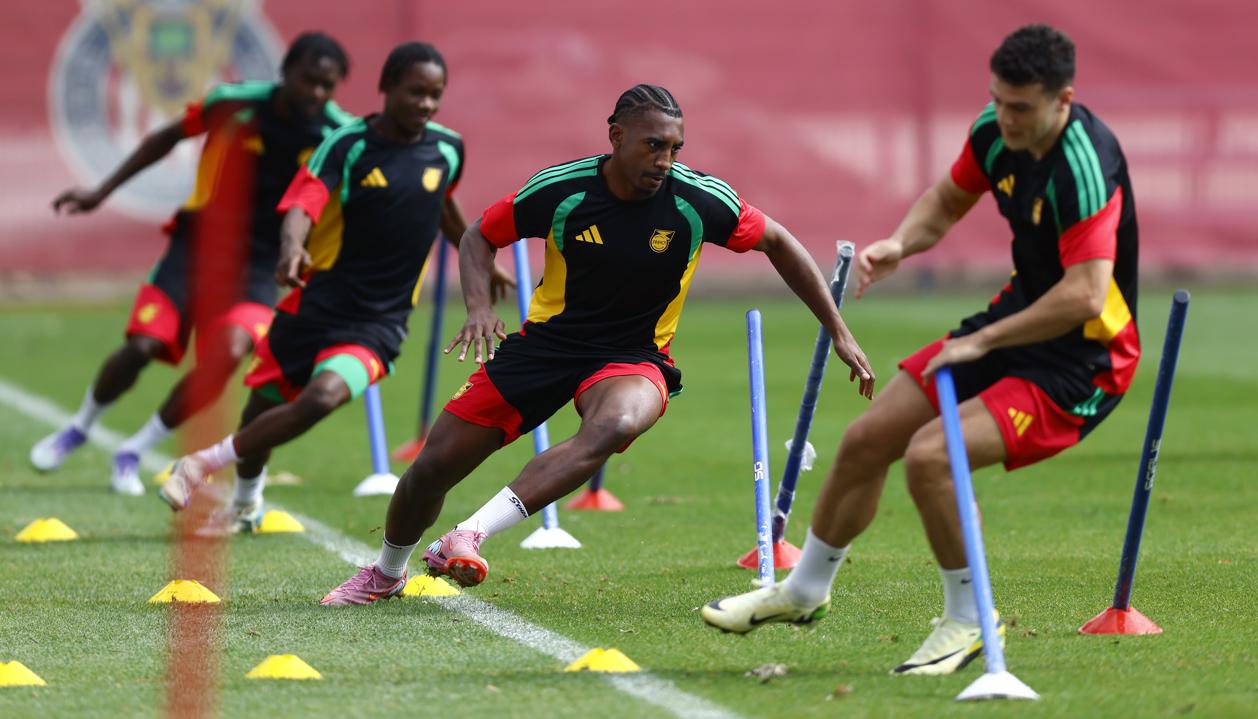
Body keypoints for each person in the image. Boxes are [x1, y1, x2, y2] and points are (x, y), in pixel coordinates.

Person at [320, 83, 877, 606]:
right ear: (616, 136)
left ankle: (468, 534)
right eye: (653, 145)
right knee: (434, 466)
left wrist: (839, 329)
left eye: (675, 148)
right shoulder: (560, 191)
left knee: (614, 427)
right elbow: (479, 236)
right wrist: (479, 306)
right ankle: (385, 574)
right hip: (548, 345)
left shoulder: (697, 201)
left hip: (634, 356)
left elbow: (778, 242)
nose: (665, 160)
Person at [702, 24, 1140, 676]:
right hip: (1017, 320)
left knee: (933, 457)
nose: (1005, 117)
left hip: (1085, 361)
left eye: (1020, 106)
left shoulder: (1083, 162)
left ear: (1063, 100)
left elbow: (1084, 294)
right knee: (866, 438)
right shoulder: (996, 133)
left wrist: (983, 339)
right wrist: (900, 244)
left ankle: (968, 622)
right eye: (998, 99)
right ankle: (803, 590)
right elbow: (946, 199)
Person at [156, 41, 511, 532]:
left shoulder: (447, 148)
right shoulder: (348, 144)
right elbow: (304, 203)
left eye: (435, 95)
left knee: (322, 397)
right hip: (315, 305)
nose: (426, 105)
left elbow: (442, 206)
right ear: (386, 88)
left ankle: (199, 464)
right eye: (416, 93)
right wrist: (291, 248)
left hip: (379, 322)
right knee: (262, 409)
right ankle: (245, 503)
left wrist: (475, 256)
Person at [30, 32, 353, 496]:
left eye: (328, 85)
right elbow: (164, 138)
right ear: (287, 72)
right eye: (309, 81)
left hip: (261, 266)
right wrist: (101, 191)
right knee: (142, 346)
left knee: (231, 351)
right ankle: (80, 426)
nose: (317, 94)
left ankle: (135, 449)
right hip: (196, 248)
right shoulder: (232, 103)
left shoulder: (336, 136)